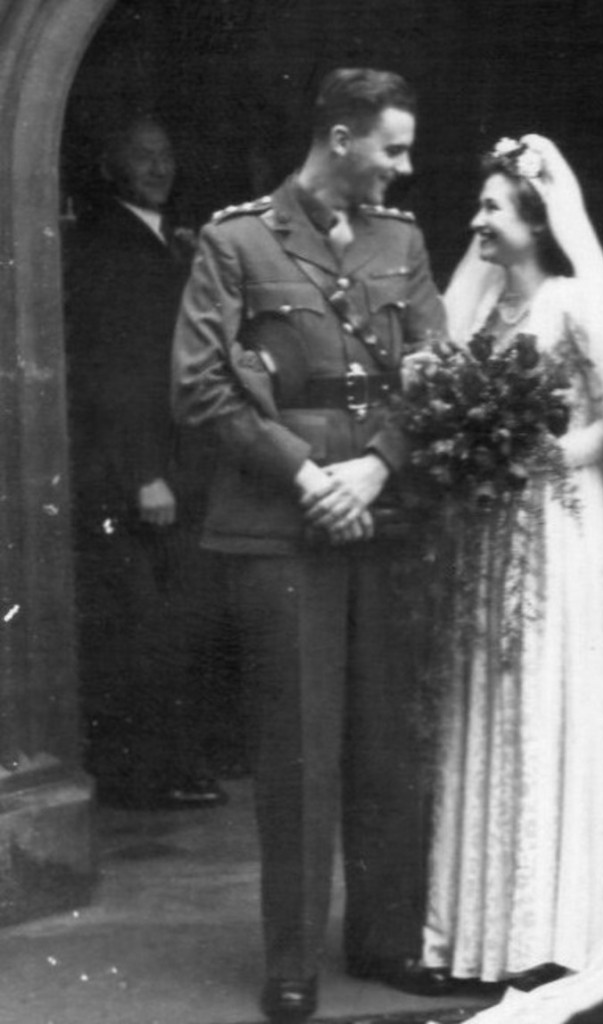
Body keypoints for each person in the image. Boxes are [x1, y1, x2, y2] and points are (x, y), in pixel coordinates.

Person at [170, 68, 450, 1020]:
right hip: (279, 525)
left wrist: (374, 468)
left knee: (386, 746)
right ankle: (290, 962)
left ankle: (384, 942)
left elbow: (433, 375)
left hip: (383, 515)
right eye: (393, 148)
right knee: (295, 750)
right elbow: (202, 385)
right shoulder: (235, 239)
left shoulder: (400, 242)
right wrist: (307, 475)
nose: (404, 170)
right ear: (340, 138)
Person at [418, 135, 603, 1023]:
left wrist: (544, 453)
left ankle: (557, 925)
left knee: (555, 700)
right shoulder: (479, 316)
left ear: (535, 221)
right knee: (489, 703)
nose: (476, 222)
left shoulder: (570, 303)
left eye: (492, 208)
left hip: (562, 530)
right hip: (487, 535)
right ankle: (488, 933)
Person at [66, 113, 226, 810]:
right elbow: (110, 369)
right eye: (140, 156)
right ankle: (153, 772)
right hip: (145, 471)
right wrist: (141, 474)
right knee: (149, 627)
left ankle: (181, 760)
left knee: (183, 618)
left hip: (188, 461)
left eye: (164, 154)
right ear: (111, 168)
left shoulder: (175, 242)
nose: (157, 167)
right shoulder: (102, 246)